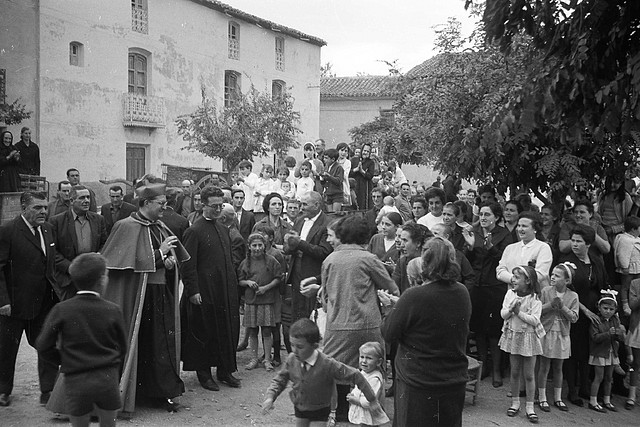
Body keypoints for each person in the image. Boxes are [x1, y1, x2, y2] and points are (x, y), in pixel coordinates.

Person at [100, 176, 189, 413]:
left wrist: (168, 262)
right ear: (147, 202)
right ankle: (133, 394)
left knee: (160, 345)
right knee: (138, 344)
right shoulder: (125, 226)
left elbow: (163, 259)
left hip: (158, 292)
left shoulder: (160, 226)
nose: (165, 207)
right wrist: (160, 254)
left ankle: (160, 394)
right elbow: (123, 264)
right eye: (161, 203)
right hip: (137, 297)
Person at [301, 215, 399, 422]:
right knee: (374, 369)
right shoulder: (370, 259)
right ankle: (374, 413)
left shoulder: (330, 260)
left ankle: (335, 412)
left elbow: (326, 299)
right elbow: (391, 289)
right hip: (368, 324)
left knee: (331, 370)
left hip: (338, 325)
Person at [381, 237, 470, 427]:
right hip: (452, 379)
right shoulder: (462, 292)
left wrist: (391, 311)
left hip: (418, 382)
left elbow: (388, 332)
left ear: (425, 261)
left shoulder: (414, 295)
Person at [36, 253, 127, 427]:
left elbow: (42, 345)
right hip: (106, 378)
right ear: (102, 280)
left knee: (79, 423)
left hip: (75, 379)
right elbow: (122, 346)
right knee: (108, 423)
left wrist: (65, 360)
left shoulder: (62, 309)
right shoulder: (113, 309)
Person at [262, 319, 381, 427]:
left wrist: (372, 400)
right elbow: (280, 379)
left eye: (300, 346)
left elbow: (355, 375)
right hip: (300, 407)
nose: (294, 350)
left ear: (314, 346)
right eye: (292, 345)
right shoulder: (292, 359)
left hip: (320, 411)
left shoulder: (327, 364)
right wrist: (270, 397)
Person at [180, 186, 242, 392]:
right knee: (204, 331)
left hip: (223, 290)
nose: (218, 210)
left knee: (226, 329)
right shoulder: (194, 231)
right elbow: (187, 265)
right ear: (203, 205)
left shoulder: (223, 229)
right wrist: (193, 290)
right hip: (204, 291)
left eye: (220, 205)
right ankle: (204, 374)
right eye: (214, 206)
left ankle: (225, 371)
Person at [0, 192, 58, 407]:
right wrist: (3, 301)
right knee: (7, 347)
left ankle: (48, 390)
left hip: (43, 301)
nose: (43, 211)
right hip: (14, 303)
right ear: (24, 208)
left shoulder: (47, 229)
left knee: (46, 344)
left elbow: (49, 263)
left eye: (45, 207)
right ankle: (3, 390)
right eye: (37, 208)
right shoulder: (8, 230)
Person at [464, 201, 513, 388]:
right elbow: (468, 261)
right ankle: (483, 366)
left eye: (487, 215)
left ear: (496, 217)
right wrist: (469, 248)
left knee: (493, 330)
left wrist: (490, 247)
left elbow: (504, 260)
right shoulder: (474, 233)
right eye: (481, 214)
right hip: (477, 285)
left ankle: (497, 370)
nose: (483, 218)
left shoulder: (504, 235)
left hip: (494, 287)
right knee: (479, 329)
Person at [559, 224, 608, 406]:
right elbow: (565, 290)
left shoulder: (596, 261)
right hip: (575, 313)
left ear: (588, 244)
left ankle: (585, 388)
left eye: (579, 241)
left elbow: (603, 284)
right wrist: (584, 310)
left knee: (588, 350)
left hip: (594, 314)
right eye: (573, 240)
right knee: (573, 352)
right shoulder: (566, 263)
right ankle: (572, 391)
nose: (575, 244)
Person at [499, 265, 544, 423]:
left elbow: (535, 320)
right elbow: (503, 314)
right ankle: (515, 402)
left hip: (528, 337)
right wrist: (511, 310)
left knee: (529, 374)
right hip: (514, 336)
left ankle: (530, 407)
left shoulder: (535, 298)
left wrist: (519, 313)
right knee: (515, 372)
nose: (513, 279)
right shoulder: (510, 294)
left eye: (517, 277)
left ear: (528, 281)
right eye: (513, 276)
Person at [49, 185, 108, 301]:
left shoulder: (98, 219)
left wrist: (97, 259)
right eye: (82, 198)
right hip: (68, 279)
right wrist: (71, 267)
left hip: (93, 277)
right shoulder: (57, 221)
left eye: (88, 197)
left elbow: (105, 244)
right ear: (71, 201)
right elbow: (52, 251)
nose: (86, 201)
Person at [536, 262, 579, 413]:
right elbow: (538, 310)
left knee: (558, 367)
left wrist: (562, 307)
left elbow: (574, 317)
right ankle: (542, 397)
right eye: (552, 274)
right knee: (544, 366)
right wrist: (550, 305)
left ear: (567, 281)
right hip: (547, 333)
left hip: (562, 334)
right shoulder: (546, 291)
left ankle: (558, 398)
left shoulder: (573, 296)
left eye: (557, 275)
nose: (552, 277)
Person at [284, 191, 332, 323]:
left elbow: (324, 252)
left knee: (313, 316)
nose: (302, 208)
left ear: (316, 205)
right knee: (297, 315)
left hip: (314, 274)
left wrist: (300, 244)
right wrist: (289, 244)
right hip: (296, 273)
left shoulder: (327, 224)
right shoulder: (299, 220)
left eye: (305, 204)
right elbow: (289, 247)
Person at [238, 233, 282, 372]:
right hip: (251, 301)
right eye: (254, 246)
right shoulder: (245, 263)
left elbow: (278, 278)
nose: (257, 248)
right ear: (249, 247)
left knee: (267, 330)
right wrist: (248, 282)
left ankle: (267, 359)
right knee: (252, 330)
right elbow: (240, 280)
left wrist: (265, 288)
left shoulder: (271, 261)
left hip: (267, 300)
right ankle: (253, 358)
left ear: (264, 246)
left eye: (260, 245)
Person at [588, 289, 626, 412]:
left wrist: (619, 334)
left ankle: (607, 400)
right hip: (599, 353)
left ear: (615, 310)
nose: (608, 311)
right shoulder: (596, 320)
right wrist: (608, 334)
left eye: (611, 309)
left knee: (609, 378)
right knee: (599, 377)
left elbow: (618, 337)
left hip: (611, 352)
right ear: (599, 307)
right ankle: (593, 401)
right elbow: (594, 338)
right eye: (605, 308)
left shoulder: (615, 320)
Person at [496, 211, 553, 289]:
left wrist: (520, 281)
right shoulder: (510, 248)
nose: (520, 229)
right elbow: (500, 271)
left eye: (524, 226)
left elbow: (541, 274)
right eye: (519, 226)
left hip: (536, 295)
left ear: (535, 229)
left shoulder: (543, 247)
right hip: (512, 295)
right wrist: (513, 279)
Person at [347, 342, 390, 426]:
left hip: (369, 416)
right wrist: (353, 394)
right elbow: (359, 388)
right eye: (362, 357)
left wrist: (355, 400)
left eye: (369, 358)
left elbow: (370, 401)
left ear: (378, 362)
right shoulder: (364, 372)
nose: (364, 361)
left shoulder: (375, 379)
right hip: (362, 415)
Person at [614, 215, 640, 316]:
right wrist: (624, 266)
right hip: (629, 268)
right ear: (634, 229)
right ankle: (625, 305)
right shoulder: (624, 240)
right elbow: (622, 254)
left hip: (638, 267)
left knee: (637, 285)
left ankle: (635, 302)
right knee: (625, 286)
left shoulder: (636, 239)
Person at [626, 276, 640, 409]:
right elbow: (632, 305)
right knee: (635, 362)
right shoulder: (635, 283)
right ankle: (631, 395)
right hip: (638, 327)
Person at [350, 143, 377, 210]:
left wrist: (362, 171)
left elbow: (370, 175)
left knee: (364, 205)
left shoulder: (371, 162)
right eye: (364, 150)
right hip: (355, 186)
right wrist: (356, 170)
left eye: (368, 151)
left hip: (365, 187)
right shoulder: (354, 160)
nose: (365, 153)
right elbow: (348, 173)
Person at [320, 148, 344, 212]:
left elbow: (339, 181)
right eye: (324, 158)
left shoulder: (339, 167)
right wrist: (322, 179)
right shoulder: (326, 167)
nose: (324, 160)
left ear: (333, 159)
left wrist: (329, 176)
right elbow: (325, 183)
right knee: (330, 214)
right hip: (328, 194)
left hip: (337, 194)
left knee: (335, 214)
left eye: (326, 158)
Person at [336, 142, 352, 206]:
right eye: (342, 150)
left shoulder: (348, 162)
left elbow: (345, 175)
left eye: (346, 151)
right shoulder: (334, 161)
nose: (343, 153)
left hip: (344, 185)